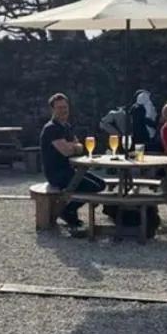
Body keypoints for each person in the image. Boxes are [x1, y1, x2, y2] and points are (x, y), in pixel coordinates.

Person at [41, 93, 104, 234]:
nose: (63, 110)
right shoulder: (52, 128)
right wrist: (73, 146)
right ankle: (68, 211)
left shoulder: (66, 126)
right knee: (92, 187)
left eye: (65, 107)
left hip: (69, 170)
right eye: (59, 108)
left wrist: (71, 146)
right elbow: (66, 152)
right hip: (56, 173)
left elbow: (80, 147)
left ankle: (70, 210)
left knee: (101, 184)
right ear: (52, 110)